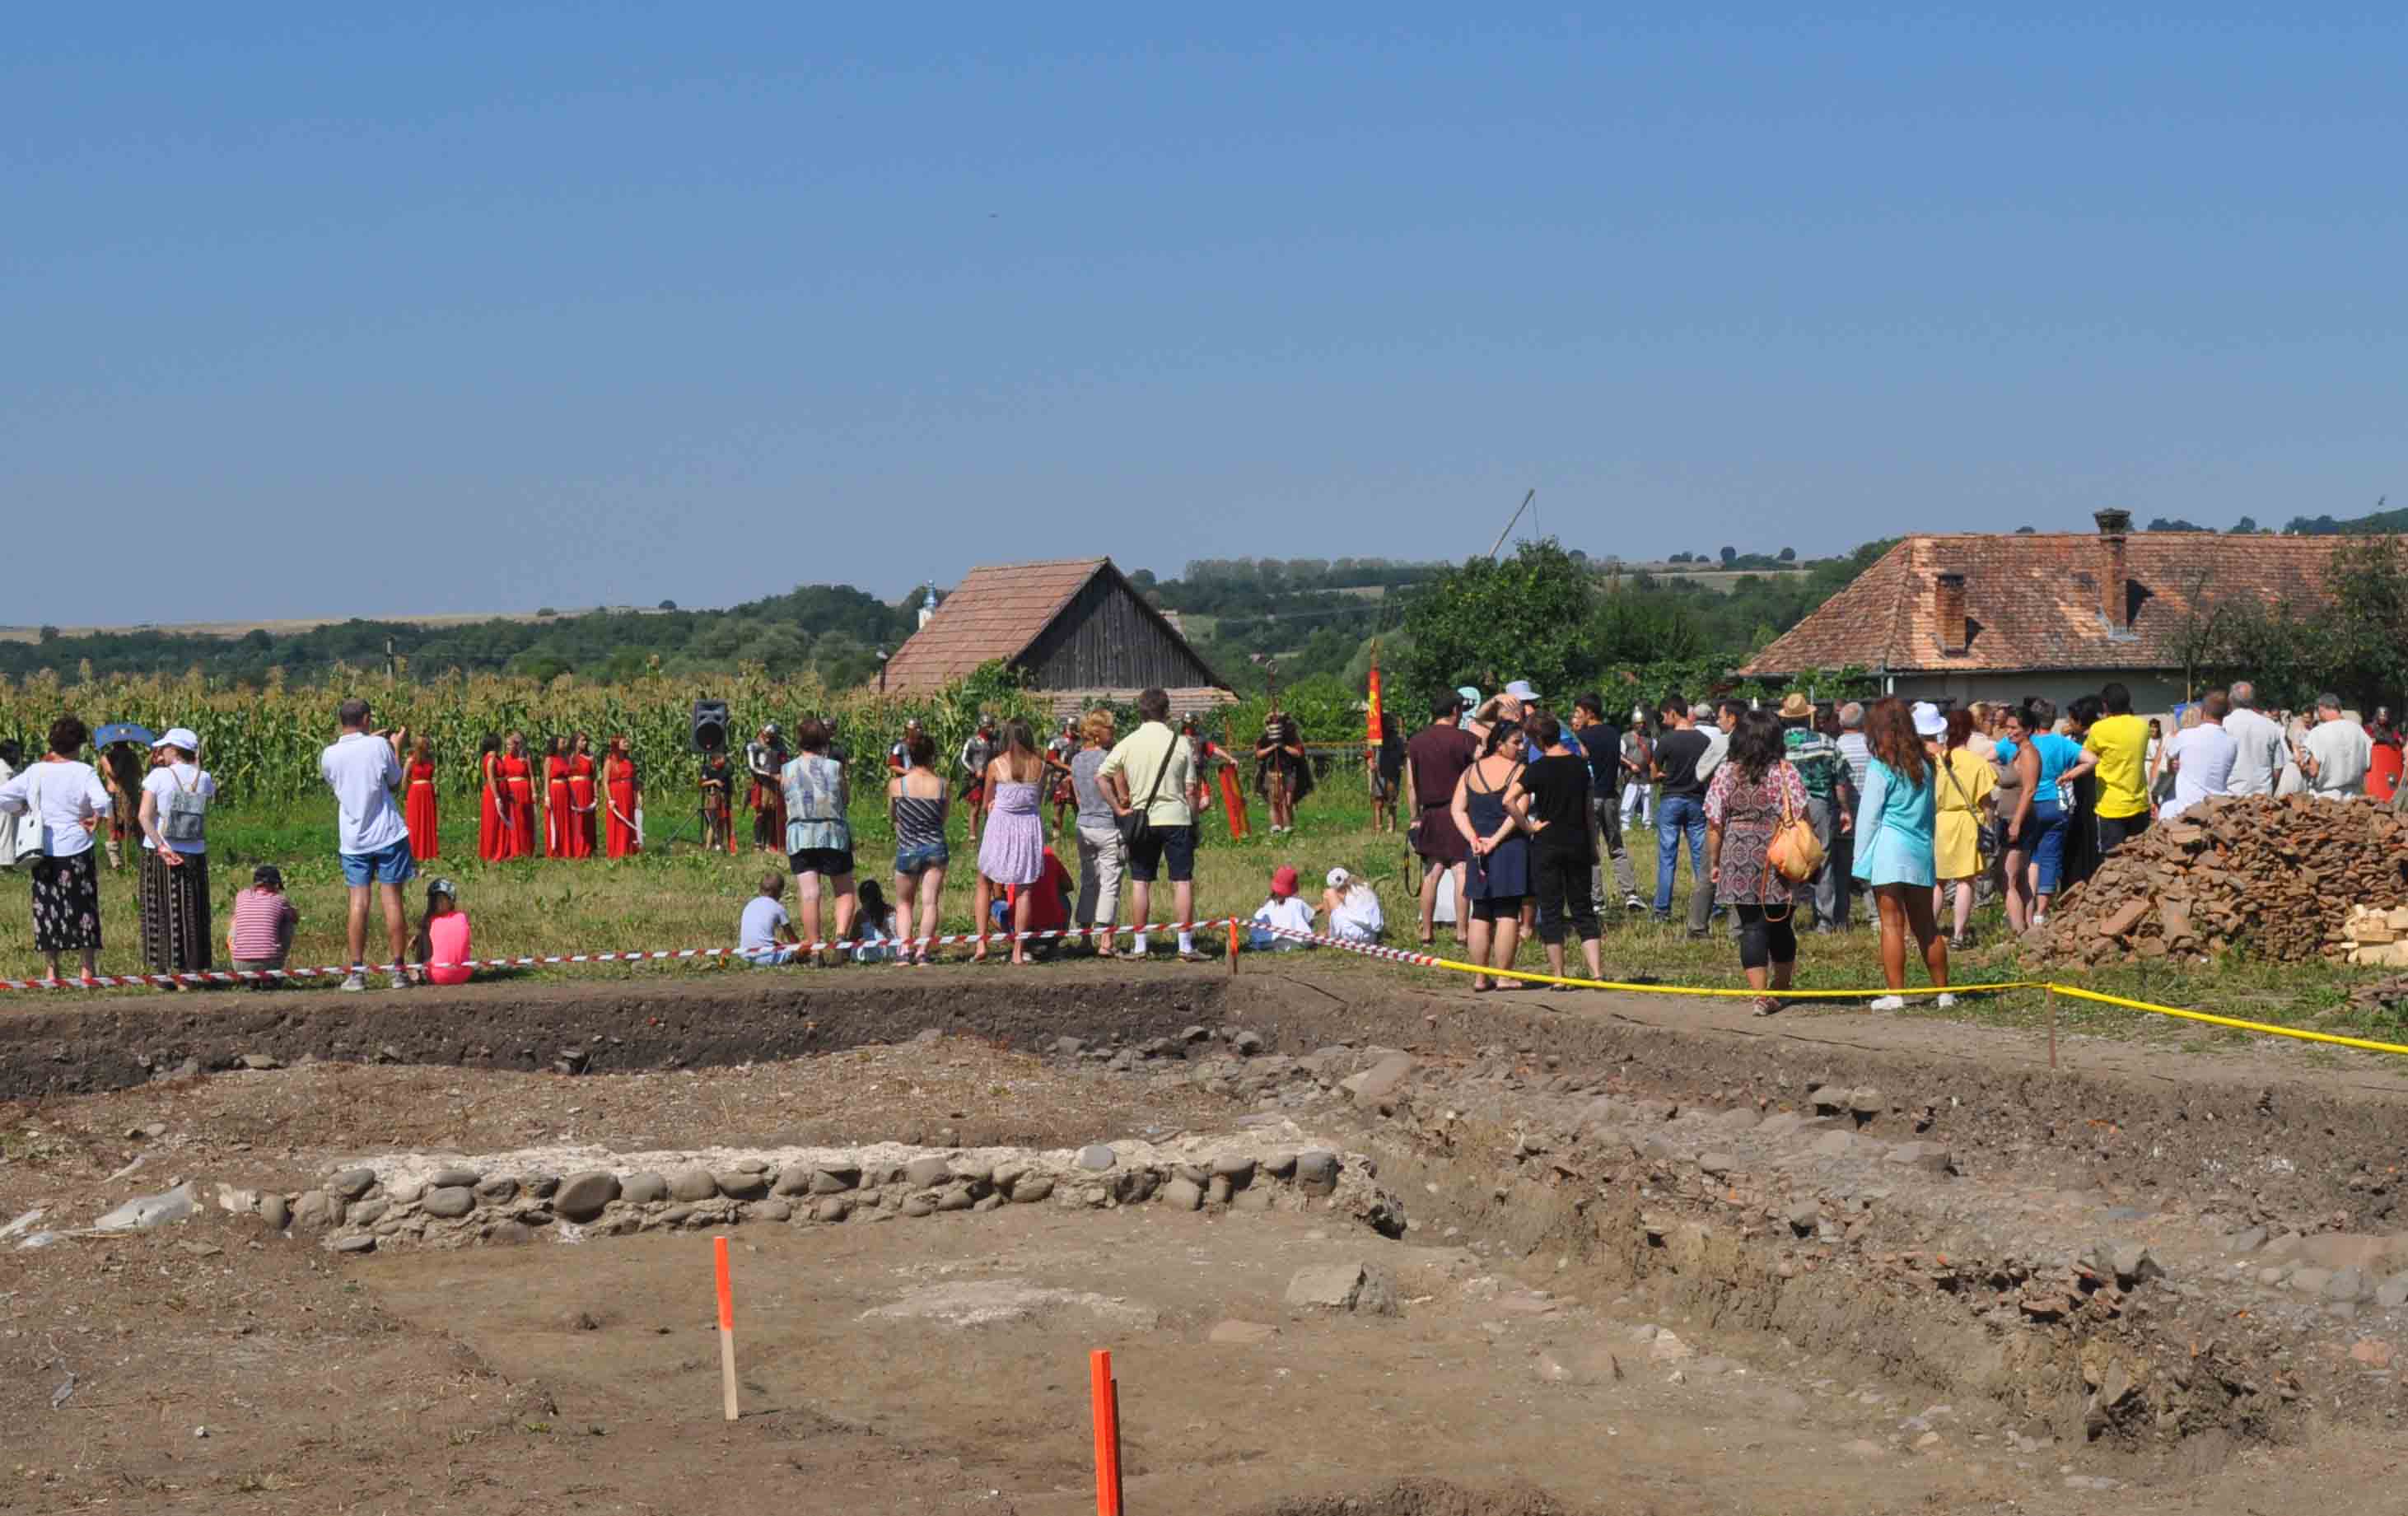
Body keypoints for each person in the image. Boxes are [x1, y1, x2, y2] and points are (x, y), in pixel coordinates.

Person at [1705, 708, 1809, 1015]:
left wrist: (1715, 860)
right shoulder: (1785, 771)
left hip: (1738, 850)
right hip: (1780, 850)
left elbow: (1714, 823)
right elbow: (1802, 814)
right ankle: (1782, 988)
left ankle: (1759, 995)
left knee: (1751, 925)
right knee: (1780, 923)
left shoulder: (1726, 773)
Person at [1850, 697, 1949, 1011]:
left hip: (1889, 851)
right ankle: (1945, 992)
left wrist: (1860, 861)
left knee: (1892, 924)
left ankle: (1896, 994)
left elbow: (1869, 818)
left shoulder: (1881, 766)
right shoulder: (1925, 765)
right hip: (1920, 848)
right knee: (1926, 927)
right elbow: (1929, 813)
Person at [0, 716, 112, 984]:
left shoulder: (36, 771)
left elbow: (3, 796)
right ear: (78, 744)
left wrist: (23, 809)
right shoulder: (84, 772)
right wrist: (95, 818)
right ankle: (87, 968)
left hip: (43, 846)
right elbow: (104, 802)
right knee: (83, 907)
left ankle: (52, 970)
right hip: (77, 844)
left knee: (47, 908)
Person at [1098, 688, 1202, 960]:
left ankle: (1141, 946)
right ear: (1166, 712)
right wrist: (1193, 821)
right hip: (1177, 817)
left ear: (1141, 712)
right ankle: (1185, 944)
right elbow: (1191, 790)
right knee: (1182, 881)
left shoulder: (1129, 742)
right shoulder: (1181, 744)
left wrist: (1119, 809)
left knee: (1141, 881)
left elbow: (1101, 776)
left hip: (1141, 819)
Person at [320, 699, 415, 992]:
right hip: (387, 834)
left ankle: (357, 972)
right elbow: (395, 781)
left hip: (353, 840)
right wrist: (394, 746)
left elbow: (342, 778)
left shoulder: (329, 755)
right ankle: (398, 971)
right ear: (365, 719)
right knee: (392, 900)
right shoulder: (379, 747)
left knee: (358, 903)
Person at [1508, 713, 1604, 985]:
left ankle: (1559, 976)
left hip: (1547, 843)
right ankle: (1597, 974)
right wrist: (1593, 845)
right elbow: (1588, 811)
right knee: (1583, 907)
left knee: (1551, 911)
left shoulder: (1537, 769)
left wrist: (1528, 828)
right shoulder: (1580, 766)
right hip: (1578, 841)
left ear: (1539, 740)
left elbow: (1509, 801)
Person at [1452, 717, 1530, 991]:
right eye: (1516, 742)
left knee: (1480, 911)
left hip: (1477, 849)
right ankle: (1504, 975)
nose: (1521, 748)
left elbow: (1457, 809)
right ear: (1499, 744)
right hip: (1508, 847)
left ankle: (1480, 977)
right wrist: (1494, 841)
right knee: (1508, 911)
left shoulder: (1471, 771)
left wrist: (1473, 838)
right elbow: (1518, 810)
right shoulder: (1520, 771)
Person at [135, 726, 217, 987]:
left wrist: (161, 846)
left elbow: (144, 816)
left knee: (159, 909)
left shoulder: (158, 776)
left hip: (160, 851)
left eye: (165, 747)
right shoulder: (203, 777)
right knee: (191, 911)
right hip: (193, 851)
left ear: (174, 749)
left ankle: (162, 973)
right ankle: (190, 974)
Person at [971, 719, 1048, 965]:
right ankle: (1018, 950)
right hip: (1027, 827)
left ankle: (981, 942)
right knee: (1024, 889)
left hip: (1001, 824)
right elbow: (1039, 799)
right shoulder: (1041, 765)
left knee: (984, 880)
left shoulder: (995, 764)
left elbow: (986, 804)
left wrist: (993, 806)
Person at [1406, 690, 1478, 947]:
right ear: (1456, 711)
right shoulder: (1467, 739)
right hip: (1459, 813)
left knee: (1432, 873)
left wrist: (1415, 817)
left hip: (1430, 813)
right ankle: (1462, 933)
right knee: (1461, 870)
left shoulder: (1415, 742)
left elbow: (1412, 786)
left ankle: (1427, 933)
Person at [781, 718, 855, 963]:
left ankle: (815, 948)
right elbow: (845, 798)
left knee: (810, 894)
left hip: (800, 836)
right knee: (843, 890)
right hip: (832, 833)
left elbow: (787, 798)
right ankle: (842, 936)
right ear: (824, 741)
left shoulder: (787, 769)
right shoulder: (834, 767)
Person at [1776, 694, 1846, 932]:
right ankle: (1825, 920)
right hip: (1820, 805)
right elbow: (1840, 781)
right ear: (1809, 717)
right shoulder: (1827, 742)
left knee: (1789, 858)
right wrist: (1845, 809)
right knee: (1824, 860)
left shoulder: (1777, 746)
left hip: (1789, 806)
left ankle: (1787, 917)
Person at [1928, 707, 1995, 950]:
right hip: (1968, 822)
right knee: (1966, 881)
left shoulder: (1936, 762)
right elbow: (1986, 803)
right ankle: (1958, 935)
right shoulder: (1977, 763)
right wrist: (1988, 826)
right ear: (1970, 731)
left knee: (1938, 881)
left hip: (1940, 821)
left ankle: (1929, 931)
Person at [2063, 683, 2152, 856]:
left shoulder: (2099, 729)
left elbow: (2084, 756)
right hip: (2139, 802)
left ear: (2105, 705)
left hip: (2111, 806)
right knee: (2138, 859)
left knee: (2114, 862)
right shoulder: (2143, 726)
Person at [1571, 693, 1641, 912]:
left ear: (1589, 713)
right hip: (1611, 797)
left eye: (1578, 712)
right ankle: (1630, 894)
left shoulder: (1582, 738)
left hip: (1590, 798)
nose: (1575, 716)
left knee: (1592, 850)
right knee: (1617, 845)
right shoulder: (1613, 734)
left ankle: (1597, 900)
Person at [887, 728, 950, 966]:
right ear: (932, 756)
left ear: (910, 756)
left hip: (908, 847)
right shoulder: (942, 785)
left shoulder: (897, 785)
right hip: (935, 847)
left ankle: (904, 951)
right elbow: (943, 818)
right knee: (930, 901)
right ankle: (923, 951)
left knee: (904, 902)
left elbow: (893, 816)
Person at [1650, 695, 1713, 931]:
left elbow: (1653, 769)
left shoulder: (1667, 740)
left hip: (1671, 800)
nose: (1664, 719)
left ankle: (1662, 910)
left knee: (1668, 857)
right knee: (1700, 857)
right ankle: (1708, 907)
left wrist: (1660, 776)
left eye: (1665, 715)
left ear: (1674, 713)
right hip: (1697, 800)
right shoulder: (1703, 740)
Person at [1067, 711, 1124, 958]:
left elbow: (1078, 797)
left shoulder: (1076, 760)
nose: (1114, 733)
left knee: (1089, 880)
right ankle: (1106, 940)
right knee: (1110, 882)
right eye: (1111, 729)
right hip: (1107, 825)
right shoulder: (1110, 759)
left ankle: (1084, 935)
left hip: (1084, 825)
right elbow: (1122, 795)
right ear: (1101, 734)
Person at [2159, 690, 2238, 821]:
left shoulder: (2185, 735)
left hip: (2187, 811)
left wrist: (2173, 765)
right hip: (2218, 809)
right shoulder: (2233, 743)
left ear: (2202, 712)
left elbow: (2169, 762)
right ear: (2226, 712)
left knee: (2165, 808)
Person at [225, 864, 298, 985]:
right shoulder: (280, 900)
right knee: (288, 923)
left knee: (235, 921)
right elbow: (295, 919)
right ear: (275, 884)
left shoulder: (241, 895)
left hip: (239, 965)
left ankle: (250, 978)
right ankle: (272, 976)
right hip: (269, 964)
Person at [2298, 693, 2374, 799]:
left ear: (2322, 709)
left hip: (2326, 799)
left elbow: (2313, 771)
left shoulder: (2317, 733)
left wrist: (2302, 765)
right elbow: (2369, 765)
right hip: (2355, 799)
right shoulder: (2359, 730)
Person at [1003, 846, 1075, 956]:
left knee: (994, 904)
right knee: (1062, 895)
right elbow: (1068, 885)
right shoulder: (1048, 854)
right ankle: (1052, 946)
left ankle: (1022, 947)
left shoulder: (1007, 856)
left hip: (1025, 935)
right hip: (1055, 932)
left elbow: (998, 893)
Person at [2219, 682, 2287, 797]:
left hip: (2231, 796)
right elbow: (2278, 768)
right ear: (2254, 701)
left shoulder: (2223, 725)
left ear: (2230, 700)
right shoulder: (2270, 726)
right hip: (2263, 798)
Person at [410, 878, 474, 987]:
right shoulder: (462, 917)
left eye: (439, 899)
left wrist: (417, 937)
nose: (437, 903)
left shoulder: (429, 921)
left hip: (437, 976)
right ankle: (419, 969)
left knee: (422, 934)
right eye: (435, 899)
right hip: (464, 975)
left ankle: (418, 970)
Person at [1255, 712, 1309, 835]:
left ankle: (1288, 827)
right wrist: (1272, 747)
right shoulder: (1265, 738)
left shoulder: (1291, 737)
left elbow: (1298, 753)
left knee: (1288, 801)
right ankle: (1276, 827)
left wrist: (1283, 746)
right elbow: (1258, 754)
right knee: (1274, 801)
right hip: (1271, 772)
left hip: (1289, 771)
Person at [738, 872, 801, 965]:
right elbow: (793, 940)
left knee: (778, 944)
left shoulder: (750, 904)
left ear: (760, 889)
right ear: (779, 892)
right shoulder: (778, 908)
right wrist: (800, 948)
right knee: (803, 948)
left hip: (744, 955)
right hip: (766, 958)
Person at [1248, 865, 1316, 949]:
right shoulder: (1298, 903)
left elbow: (1254, 925)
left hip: (1265, 941)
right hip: (1295, 941)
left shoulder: (1267, 905)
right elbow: (1311, 921)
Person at [957, 714, 1000, 846]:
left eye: (992, 726)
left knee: (990, 807)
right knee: (975, 808)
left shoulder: (995, 742)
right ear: (982, 727)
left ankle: (989, 836)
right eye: (988, 727)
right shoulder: (972, 741)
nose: (991, 729)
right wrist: (974, 770)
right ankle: (973, 837)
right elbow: (963, 759)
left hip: (991, 778)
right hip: (976, 779)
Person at [747, 724, 789, 854]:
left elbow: (785, 763)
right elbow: (753, 767)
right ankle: (758, 843)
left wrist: (783, 775)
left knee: (772, 814)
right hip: (760, 783)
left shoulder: (779, 747)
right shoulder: (753, 747)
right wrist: (771, 775)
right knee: (761, 814)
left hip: (775, 785)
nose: (769, 740)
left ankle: (770, 843)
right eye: (767, 736)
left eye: (772, 737)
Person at [497, 732, 538, 860]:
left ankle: (526, 850)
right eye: (506, 745)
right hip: (511, 792)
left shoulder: (526, 758)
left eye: (510, 744)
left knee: (524, 820)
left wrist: (534, 792)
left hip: (524, 790)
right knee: (513, 820)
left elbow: (531, 776)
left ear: (517, 745)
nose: (508, 747)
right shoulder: (504, 758)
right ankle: (514, 850)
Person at [602, 735, 642, 858]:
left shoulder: (629, 761)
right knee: (617, 822)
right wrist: (610, 799)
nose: (627, 744)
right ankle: (617, 851)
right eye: (624, 742)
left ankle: (629, 849)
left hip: (629, 794)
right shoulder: (609, 761)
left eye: (627, 742)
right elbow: (605, 781)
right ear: (616, 745)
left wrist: (639, 794)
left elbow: (634, 780)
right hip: (616, 795)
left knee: (629, 820)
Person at [1322, 867, 1385, 945]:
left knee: (1329, 893)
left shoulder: (1349, 896)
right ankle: (1331, 932)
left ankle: (1330, 932)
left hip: (1357, 936)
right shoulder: (1364, 887)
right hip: (1372, 936)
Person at [403, 735, 440, 862]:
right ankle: (414, 852)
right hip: (416, 793)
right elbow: (404, 780)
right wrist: (407, 795)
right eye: (425, 744)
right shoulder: (410, 760)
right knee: (415, 822)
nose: (428, 746)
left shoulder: (430, 759)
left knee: (428, 821)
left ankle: (429, 852)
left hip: (428, 792)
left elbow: (432, 775)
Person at [1617, 709, 1654, 833]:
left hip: (1646, 773)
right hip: (1632, 774)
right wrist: (1631, 765)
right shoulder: (1626, 737)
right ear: (1634, 723)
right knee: (1629, 799)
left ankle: (1647, 825)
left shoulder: (1649, 739)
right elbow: (1620, 755)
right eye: (1638, 723)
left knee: (1648, 801)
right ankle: (1625, 824)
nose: (1641, 725)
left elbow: (1654, 757)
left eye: (1643, 723)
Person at [563, 732, 599, 858]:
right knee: (573, 819)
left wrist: (596, 795)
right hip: (572, 790)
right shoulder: (568, 757)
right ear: (575, 742)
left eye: (586, 741)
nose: (585, 743)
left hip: (586, 789)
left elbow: (594, 777)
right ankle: (573, 848)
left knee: (586, 819)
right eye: (582, 740)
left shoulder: (590, 757)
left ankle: (587, 849)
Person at [1045, 718, 1080, 836]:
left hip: (1077, 779)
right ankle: (1056, 837)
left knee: (1078, 809)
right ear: (1065, 727)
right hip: (1059, 778)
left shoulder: (1081, 742)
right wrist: (1067, 768)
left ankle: (1081, 836)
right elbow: (1051, 758)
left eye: (1074, 727)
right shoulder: (1056, 742)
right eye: (1070, 727)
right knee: (1058, 810)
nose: (1072, 730)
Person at [1369, 721, 1405, 835]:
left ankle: (1391, 828)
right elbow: (1369, 753)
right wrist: (1370, 763)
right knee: (1378, 801)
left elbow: (1403, 755)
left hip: (1392, 773)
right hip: (1379, 772)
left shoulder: (1397, 740)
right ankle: (1378, 827)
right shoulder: (1375, 738)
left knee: (1391, 801)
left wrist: (1401, 764)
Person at [474, 734, 506, 861]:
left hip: (500, 790)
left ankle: (500, 848)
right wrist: (497, 797)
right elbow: (491, 778)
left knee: (499, 821)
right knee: (493, 821)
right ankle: (492, 851)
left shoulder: (496, 757)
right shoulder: (491, 759)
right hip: (493, 792)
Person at [852, 879, 899, 963]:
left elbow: (853, 938)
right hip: (893, 951)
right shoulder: (891, 910)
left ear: (861, 897)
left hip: (870, 954)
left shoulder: (861, 914)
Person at [699, 744, 735, 852]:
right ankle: (708, 846)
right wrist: (714, 781)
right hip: (713, 798)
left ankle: (719, 844)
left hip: (724, 798)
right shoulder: (707, 769)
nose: (724, 760)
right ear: (715, 760)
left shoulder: (726, 769)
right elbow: (701, 783)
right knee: (713, 823)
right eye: (722, 759)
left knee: (722, 821)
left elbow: (731, 768)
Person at [2368, 705, 2403, 805]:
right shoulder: (2370, 727)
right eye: (2381, 715)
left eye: (2385, 716)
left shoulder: (2392, 729)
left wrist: (2397, 740)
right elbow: (2368, 740)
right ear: (2377, 716)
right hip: (2376, 761)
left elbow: (2400, 740)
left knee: (2391, 783)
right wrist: (2382, 740)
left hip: (2389, 761)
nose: (2383, 718)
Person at [0, 739, 21, 870]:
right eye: (16, 753)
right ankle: (4, 864)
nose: (18, 757)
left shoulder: (7, 769)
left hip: (7, 806)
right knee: (5, 832)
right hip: (4, 807)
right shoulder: (3, 770)